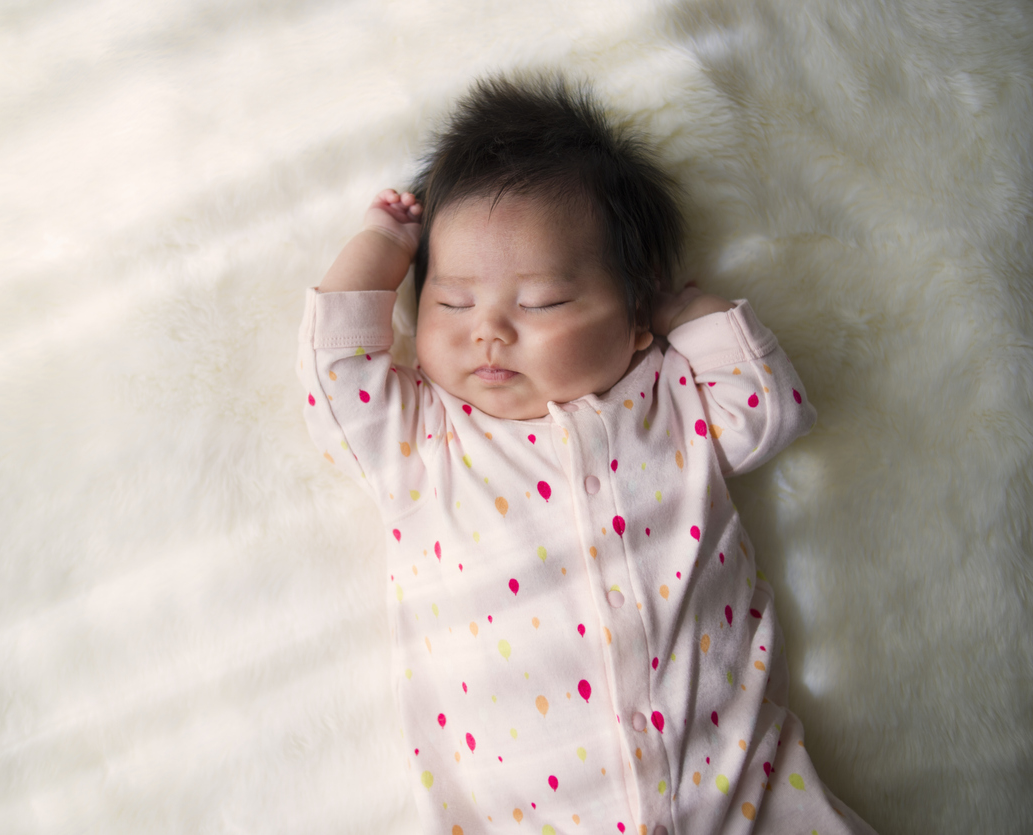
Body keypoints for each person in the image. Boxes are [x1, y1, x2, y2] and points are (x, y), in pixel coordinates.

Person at [297, 75, 875, 835]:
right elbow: (337, 375)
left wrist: (689, 313)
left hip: (744, 794)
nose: (489, 331)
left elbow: (766, 411)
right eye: (451, 301)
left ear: (633, 314)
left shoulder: (668, 400)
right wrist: (378, 251)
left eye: (540, 302)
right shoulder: (425, 438)